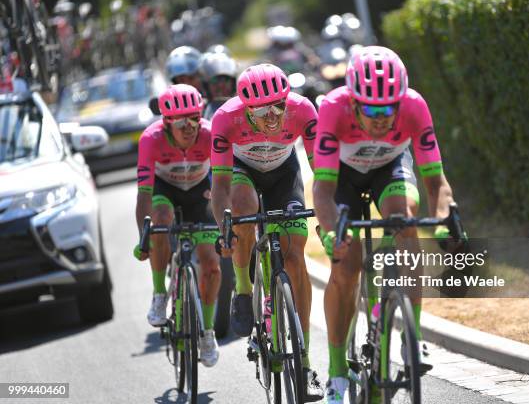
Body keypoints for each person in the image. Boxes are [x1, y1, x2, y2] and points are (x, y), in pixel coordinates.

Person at [312, 46, 461, 403]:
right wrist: (333, 233)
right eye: (372, 109)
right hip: (342, 178)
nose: (381, 118)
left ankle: (415, 337)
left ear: (401, 100)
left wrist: (445, 219)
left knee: (406, 219)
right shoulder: (332, 108)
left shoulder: (414, 106)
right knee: (345, 268)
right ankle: (336, 371)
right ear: (353, 101)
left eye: (389, 108)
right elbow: (323, 189)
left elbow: (436, 182)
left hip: (389, 167)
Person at [210, 63, 323, 401]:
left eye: (279, 106)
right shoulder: (225, 119)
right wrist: (225, 227)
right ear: (246, 109)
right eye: (262, 110)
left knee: (295, 254)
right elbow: (219, 186)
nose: (273, 115)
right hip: (242, 171)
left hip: (283, 173)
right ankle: (244, 289)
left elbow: (322, 169)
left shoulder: (303, 109)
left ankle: (304, 362)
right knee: (242, 208)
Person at [134, 84, 221, 367]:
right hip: (165, 191)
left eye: (195, 118)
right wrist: (144, 237)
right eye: (182, 122)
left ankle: (207, 332)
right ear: (166, 122)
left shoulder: (209, 135)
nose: (190, 127)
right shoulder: (151, 139)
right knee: (159, 221)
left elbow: (223, 184)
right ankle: (160, 294)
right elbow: (144, 195)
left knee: (211, 266)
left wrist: (226, 224)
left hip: (199, 194)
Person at [199, 52, 238, 120]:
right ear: (206, 85)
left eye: (225, 79)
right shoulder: (200, 110)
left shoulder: (244, 106)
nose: (221, 85)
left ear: (233, 82)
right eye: (214, 80)